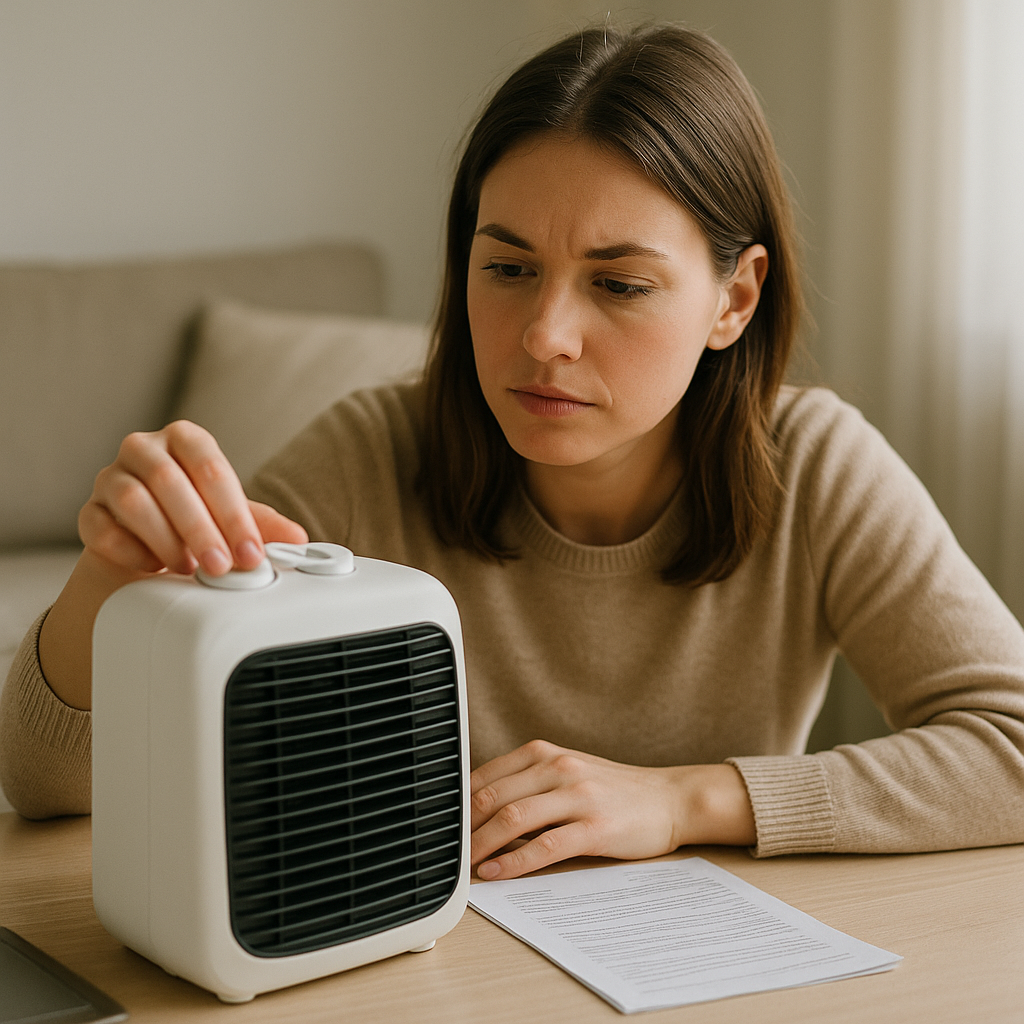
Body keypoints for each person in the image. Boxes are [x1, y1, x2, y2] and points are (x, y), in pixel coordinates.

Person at [2, 24, 1023, 879]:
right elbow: (45, 790)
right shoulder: (370, 453)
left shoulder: (816, 466)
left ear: (734, 299)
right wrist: (108, 584)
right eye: (507, 266)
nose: (543, 335)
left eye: (618, 284)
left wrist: (683, 800)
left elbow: (1009, 744)